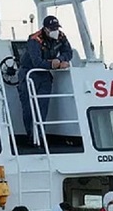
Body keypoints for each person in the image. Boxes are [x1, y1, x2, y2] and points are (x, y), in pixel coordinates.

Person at [17, 15, 73, 145]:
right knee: (28, 108)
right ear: (45, 29)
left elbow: (68, 52)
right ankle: (31, 136)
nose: (55, 31)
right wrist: (53, 64)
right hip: (29, 74)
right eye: (52, 28)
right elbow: (36, 61)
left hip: (45, 76)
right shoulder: (34, 40)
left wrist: (61, 60)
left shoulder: (60, 36)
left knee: (43, 106)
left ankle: (40, 136)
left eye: (56, 28)